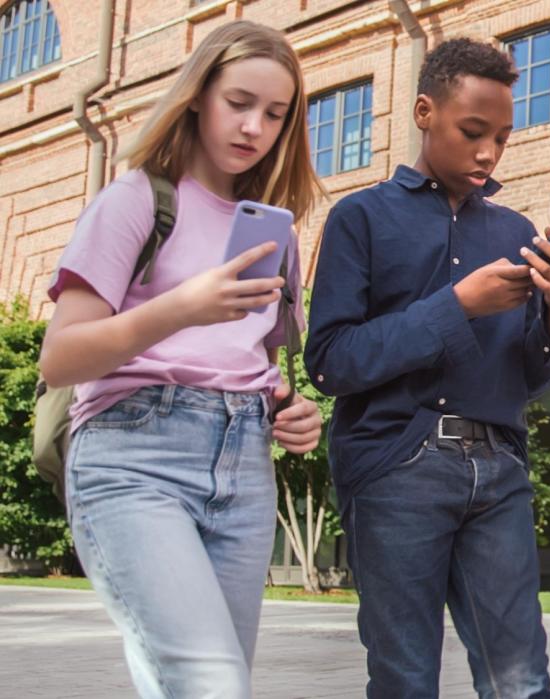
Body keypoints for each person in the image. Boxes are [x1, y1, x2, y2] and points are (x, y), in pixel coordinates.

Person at [39, 20, 324, 698]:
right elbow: (60, 357)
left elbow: (250, 360)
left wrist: (294, 411)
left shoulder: (271, 231)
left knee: (197, 682)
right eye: (239, 102)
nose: (254, 126)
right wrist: (182, 306)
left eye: (275, 114)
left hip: (243, 466)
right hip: (134, 458)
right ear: (198, 95)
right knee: (211, 680)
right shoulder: (137, 200)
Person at [304, 38, 550, 698]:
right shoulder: (359, 218)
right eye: (472, 132)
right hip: (395, 466)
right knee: (404, 678)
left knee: (521, 678)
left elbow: (529, 378)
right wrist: (456, 305)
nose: (488, 152)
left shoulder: (515, 229)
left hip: (498, 467)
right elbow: (331, 361)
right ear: (425, 111)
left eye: (503, 138)